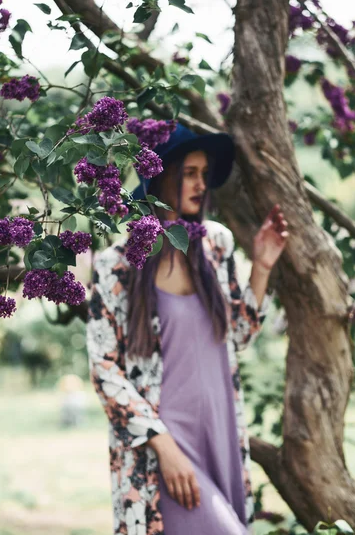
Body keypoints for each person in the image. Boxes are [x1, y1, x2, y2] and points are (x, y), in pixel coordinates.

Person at [86, 122, 289, 535]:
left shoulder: (216, 243)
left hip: (220, 433)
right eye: (189, 173)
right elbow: (104, 370)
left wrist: (263, 266)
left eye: (204, 173)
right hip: (162, 446)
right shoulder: (117, 264)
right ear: (160, 176)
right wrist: (163, 444)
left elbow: (239, 335)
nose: (201, 183)